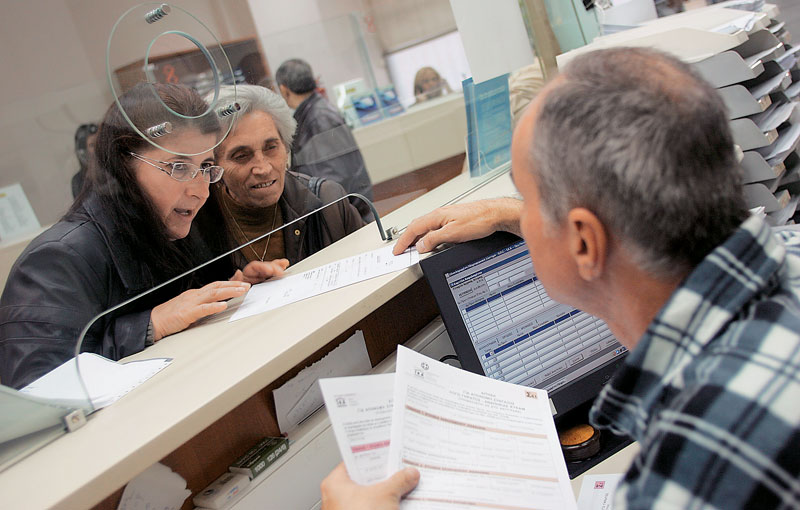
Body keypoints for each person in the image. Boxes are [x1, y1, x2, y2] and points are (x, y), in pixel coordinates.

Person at [322, 47, 800, 509]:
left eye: (528, 201)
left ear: (585, 243)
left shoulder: (689, 466)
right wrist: (520, 214)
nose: (522, 216)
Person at [0, 84, 287, 389]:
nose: (200, 190)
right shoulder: (57, 260)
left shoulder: (179, 226)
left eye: (205, 167)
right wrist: (150, 324)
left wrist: (228, 294)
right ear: (124, 167)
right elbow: (35, 390)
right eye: (178, 167)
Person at [198, 84, 365, 267]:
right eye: (241, 156)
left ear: (286, 147)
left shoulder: (328, 201)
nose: (263, 168)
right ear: (214, 166)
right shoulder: (195, 227)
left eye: (271, 148)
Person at [275, 58, 374, 222]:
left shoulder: (318, 118)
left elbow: (335, 178)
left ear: (284, 89)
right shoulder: (315, 112)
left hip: (349, 217)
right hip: (350, 212)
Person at [71, 122, 98, 198]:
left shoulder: (112, 169)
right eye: (92, 145)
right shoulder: (78, 180)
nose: (97, 147)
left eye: (98, 142)